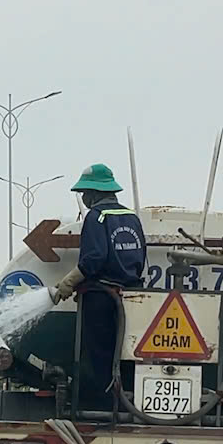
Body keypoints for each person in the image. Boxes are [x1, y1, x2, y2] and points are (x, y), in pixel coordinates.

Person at [61, 163, 146, 407]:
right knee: (128, 353)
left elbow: (93, 260)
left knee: (100, 355)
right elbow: (140, 259)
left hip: (101, 298)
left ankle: (108, 407)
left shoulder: (96, 218)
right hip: (132, 298)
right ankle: (133, 403)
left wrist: (68, 283)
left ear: (95, 193)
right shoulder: (132, 217)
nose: (84, 197)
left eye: (85, 192)